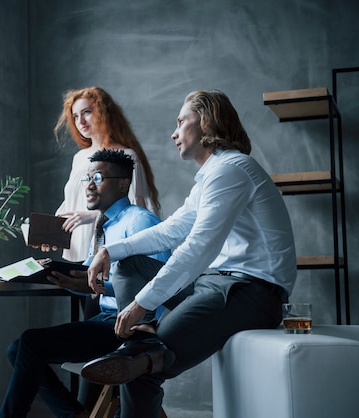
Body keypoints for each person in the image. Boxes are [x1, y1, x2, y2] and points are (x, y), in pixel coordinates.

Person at [83, 90, 297, 417]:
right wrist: (111, 249)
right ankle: (140, 342)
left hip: (251, 292)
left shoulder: (232, 170)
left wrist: (142, 305)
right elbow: (171, 230)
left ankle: (139, 350)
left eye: (182, 121)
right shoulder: (209, 178)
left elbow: (199, 246)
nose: (174, 132)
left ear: (207, 122)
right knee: (129, 264)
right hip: (214, 286)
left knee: (137, 371)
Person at [0, 149, 170, 418]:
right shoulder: (103, 226)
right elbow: (90, 276)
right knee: (17, 348)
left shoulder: (141, 222)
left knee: (31, 343)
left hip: (132, 326)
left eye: (98, 178)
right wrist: (52, 272)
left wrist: (98, 287)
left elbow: (157, 283)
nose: (89, 186)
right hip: (105, 317)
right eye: (87, 178)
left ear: (123, 184)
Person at [53, 86, 161, 263]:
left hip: (111, 252)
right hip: (77, 252)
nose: (80, 121)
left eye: (86, 112)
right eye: (75, 116)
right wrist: (51, 233)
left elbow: (136, 211)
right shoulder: (79, 158)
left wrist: (91, 216)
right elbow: (71, 202)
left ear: (104, 112)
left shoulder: (126, 156)